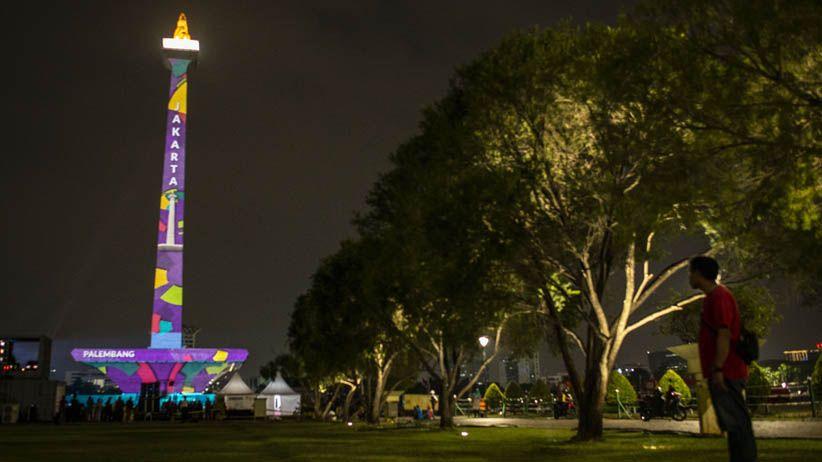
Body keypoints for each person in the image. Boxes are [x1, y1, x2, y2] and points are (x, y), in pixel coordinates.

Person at [691, 256, 756, 462]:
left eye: (691, 272)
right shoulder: (713, 297)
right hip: (724, 371)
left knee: (737, 424)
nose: (690, 277)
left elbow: (724, 333)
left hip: (728, 371)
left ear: (699, 273)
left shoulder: (719, 297)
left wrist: (718, 368)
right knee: (734, 426)